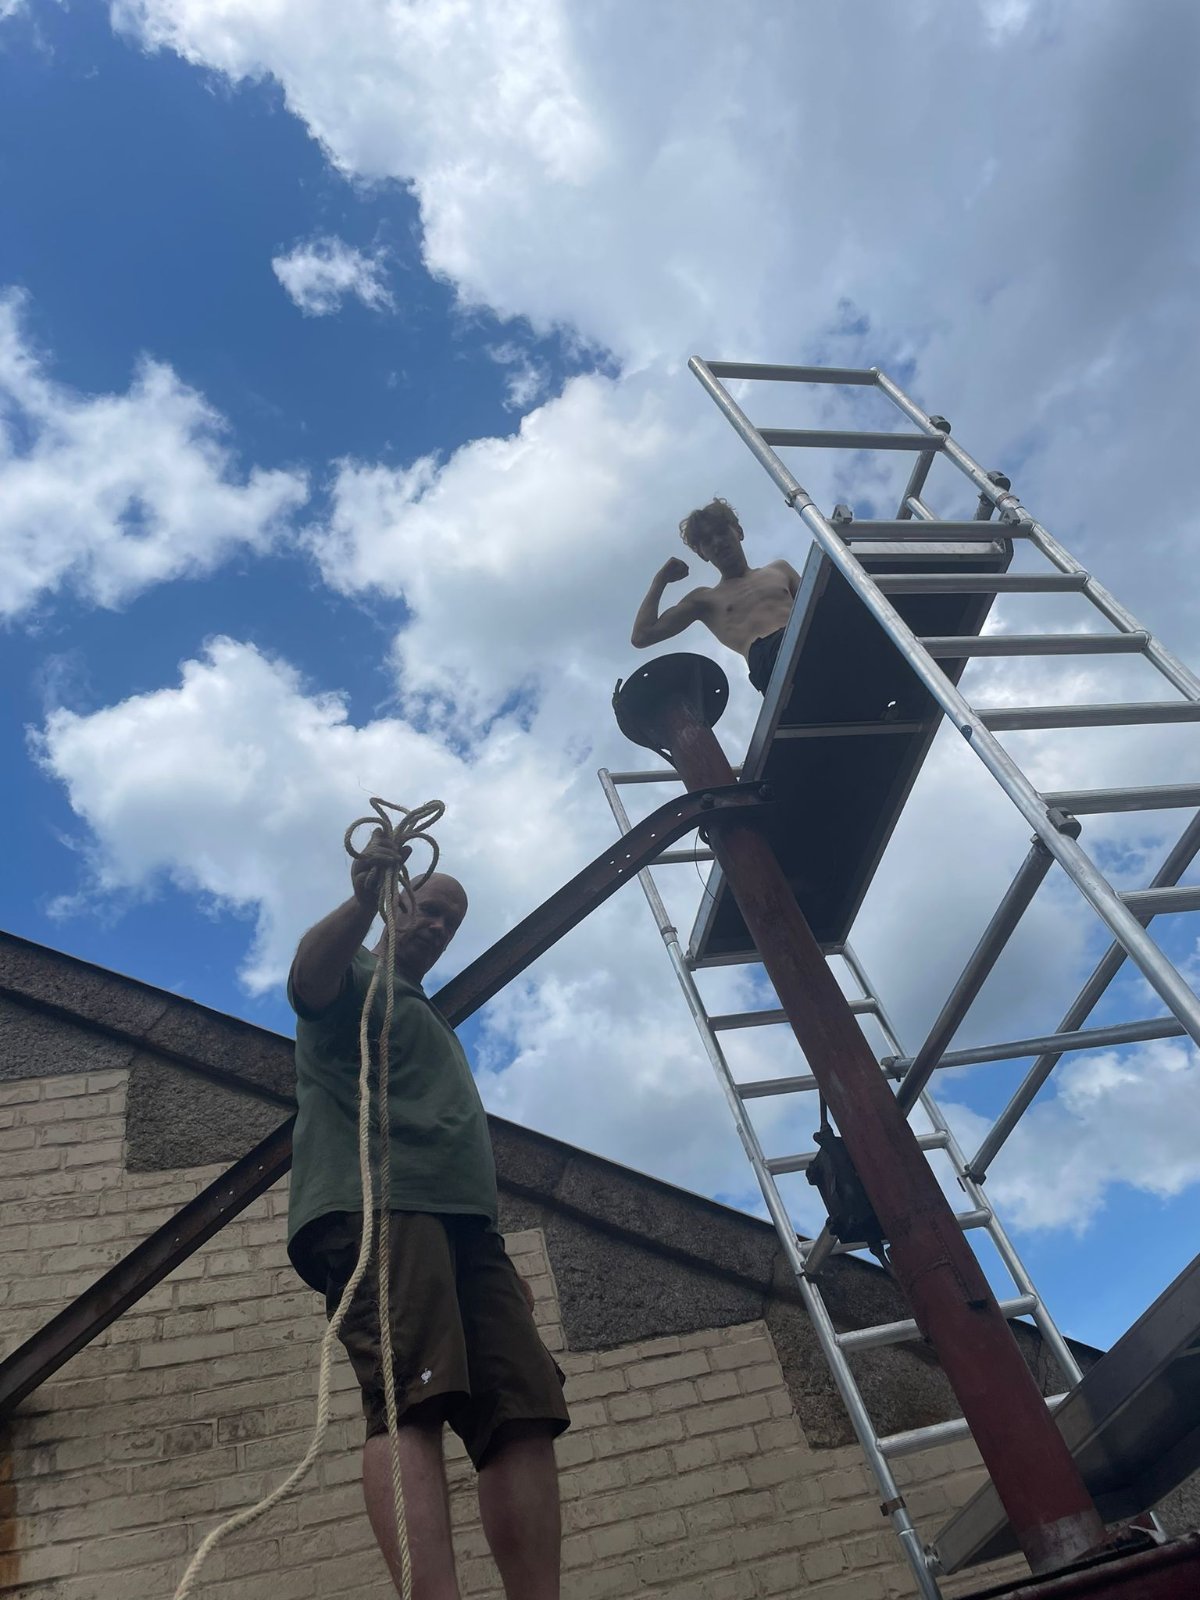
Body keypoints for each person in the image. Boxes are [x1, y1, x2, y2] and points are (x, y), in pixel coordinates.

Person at [286, 840, 570, 1600]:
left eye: (453, 922)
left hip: (467, 1231)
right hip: (384, 1205)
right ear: (398, 901)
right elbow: (307, 978)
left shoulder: (426, 1014)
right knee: (411, 1395)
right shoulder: (353, 975)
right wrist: (360, 900)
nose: (440, 926)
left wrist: (492, 1253)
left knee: (523, 1409)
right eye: (431, 908)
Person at [630, 497, 801, 692]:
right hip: (765, 656)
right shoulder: (705, 600)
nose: (717, 542)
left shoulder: (779, 569)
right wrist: (660, 580)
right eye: (707, 541)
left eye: (721, 532)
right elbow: (642, 636)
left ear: (738, 531)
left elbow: (817, 602)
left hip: (803, 636)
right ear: (702, 554)